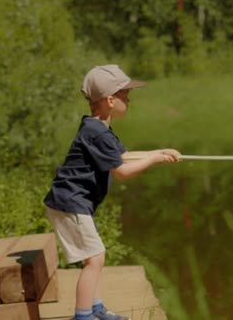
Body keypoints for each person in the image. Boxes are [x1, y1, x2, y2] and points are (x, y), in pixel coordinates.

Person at [44, 65, 181, 320]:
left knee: (96, 257)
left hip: (73, 202)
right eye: (125, 95)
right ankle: (83, 316)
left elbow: (123, 156)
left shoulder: (97, 128)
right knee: (94, 259)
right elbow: (121, 171)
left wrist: (160, 151)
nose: (129, 99)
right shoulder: (97, 133)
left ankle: (95, 309)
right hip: (69, 203)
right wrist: (155, 160)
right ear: (110, 100)